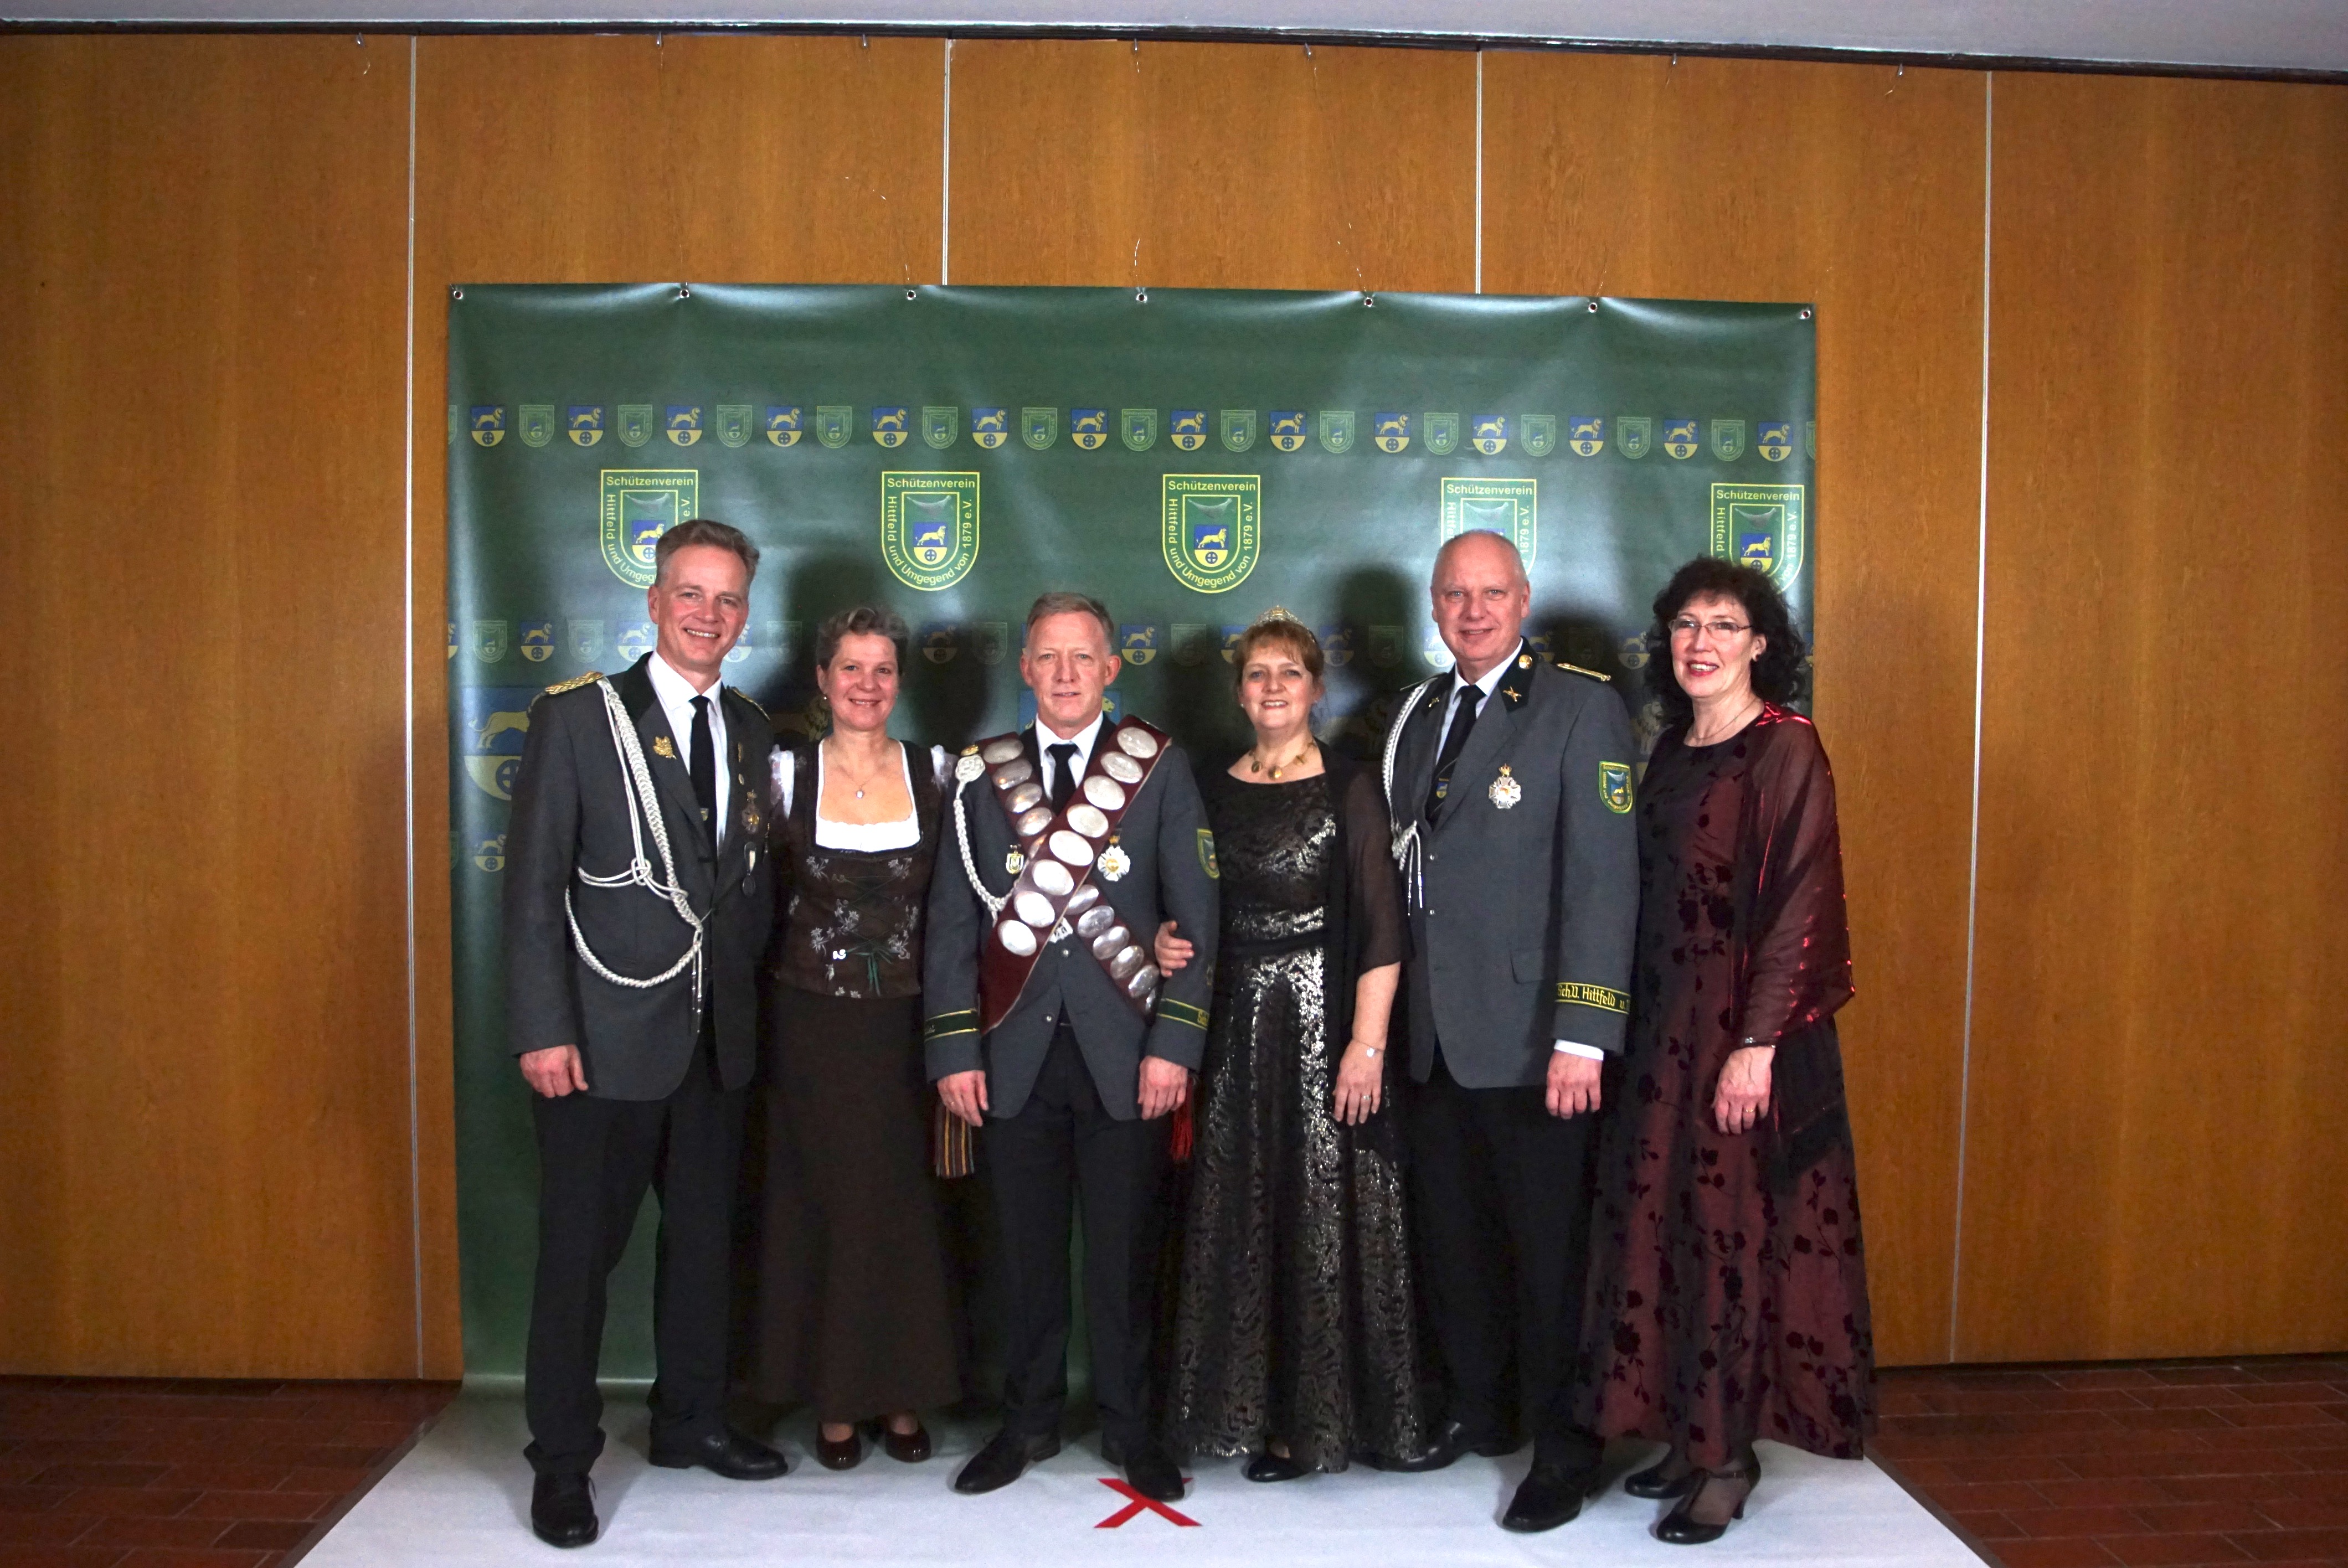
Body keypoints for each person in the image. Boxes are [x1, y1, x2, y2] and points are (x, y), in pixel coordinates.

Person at [501, 518, 789, 1550]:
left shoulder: (751, 728)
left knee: (705, 1249)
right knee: (579, 1262)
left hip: (718, 1041)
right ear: (655, 602)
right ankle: (561, 1463)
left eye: (728, 599)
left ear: (744, 616)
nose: (709, 614)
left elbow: (746, 892)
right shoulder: (580, 719)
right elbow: (534, 887)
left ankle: (689, 1421)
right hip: (600, 1038)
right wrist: (543, 1028)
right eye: (691, 594)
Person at [1579, 558, 1871, 1545]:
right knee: (1665, 1232)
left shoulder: (1784, 746)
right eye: (1686, 625)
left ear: (1760, 645)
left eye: (1723, 625)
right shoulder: (1670, 748)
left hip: (1740, 1030)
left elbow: (1801, 906)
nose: (1700, 643)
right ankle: (1684, 1432)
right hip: (1663, 1028)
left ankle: (1728, 1460)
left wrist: (1757, 1044)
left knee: (1730, 1236)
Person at [923, 591, 1219, 1504]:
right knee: (1023, 1259)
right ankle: (1027, 1422)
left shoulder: (1159, 768)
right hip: (1010, 1056)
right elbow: (950, 923)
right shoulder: (983, 774)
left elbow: (1197, 919)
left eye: (1081, 657)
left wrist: (1174, 1044)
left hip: (1127, 1055)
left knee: (1126, 1261)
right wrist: (953, 1052)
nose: (1063, 673)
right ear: (1024, 668)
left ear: (1110, 669)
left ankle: (1134, 1427)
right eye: (1047, 657)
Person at [1377, 529, 1639, 1533]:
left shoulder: (1579, 707)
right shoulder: (1420, 713)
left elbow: (1605, 881)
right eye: (1456, 595)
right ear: (1434, 607)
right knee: (1459, 1245)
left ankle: (1566, 1450)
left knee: (1550, 1261)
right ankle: (1482, 1413)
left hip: (1538, 1041)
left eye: (1492, 594)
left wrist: (1585, 1033)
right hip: (1437, 1036)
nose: (1474, 611)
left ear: (1524, 600)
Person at [1153, 612, 1432, 1478]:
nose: (1272, 687)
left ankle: (1315, 1425)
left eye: (1289, 673)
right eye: (1257, 674)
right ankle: (1241, 1411)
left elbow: (1383, 930)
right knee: (1239, 1215)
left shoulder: (1351, 787)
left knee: (1315, 1217)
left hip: (1322, 1026)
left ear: (1316, 689)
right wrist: (1164, 936)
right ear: (1239, 694)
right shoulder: (1209, 784)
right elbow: (1184, 900)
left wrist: (1367, 1046)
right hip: (1232, 1029)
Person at [739, 605, 961, 1471]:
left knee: (901, 1209)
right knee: (822, 1206)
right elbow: (745, 907)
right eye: (851, 669)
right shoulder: (782, 776)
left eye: (882, 670)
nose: (867, 685)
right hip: (811, 1026)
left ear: (898, 681)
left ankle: (902, 1392)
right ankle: (835, 1403)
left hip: (908, 1026)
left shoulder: (939, 773)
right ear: (823, 679)